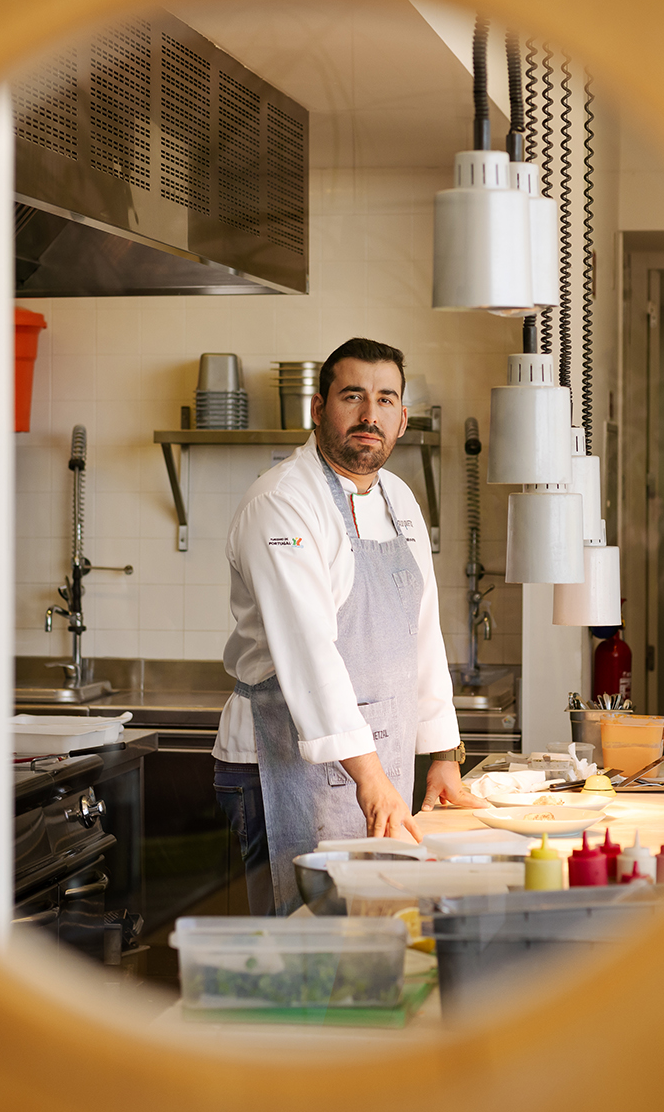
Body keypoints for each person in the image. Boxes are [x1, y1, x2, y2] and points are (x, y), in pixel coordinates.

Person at [211, 338, 486, 916]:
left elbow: (422, 634)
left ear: (403, 418)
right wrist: (369, 776)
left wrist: (442, 755)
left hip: (372, 771)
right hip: (277, 764)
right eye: (353, 396)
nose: (369, 415)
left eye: (385, 400)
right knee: (295, 947)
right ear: (318, 409)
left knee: (359, 940)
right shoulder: (281, 504)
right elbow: (309, 651)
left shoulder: (400, 499)